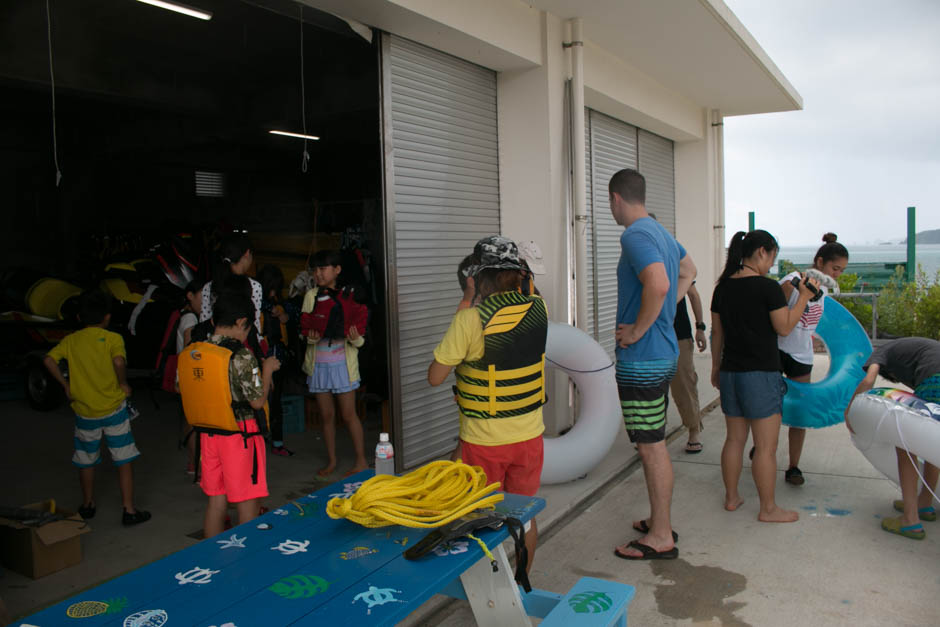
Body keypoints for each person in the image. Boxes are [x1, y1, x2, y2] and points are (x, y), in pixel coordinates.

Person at [428, 235, 548, 572]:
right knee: (524, 516)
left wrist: (467, 300)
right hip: (529, 438)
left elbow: (435, 376)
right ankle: (522, 580)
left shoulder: (470, 319)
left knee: (477, 518)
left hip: (485, 443)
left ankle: (488, 588)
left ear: (476, 276)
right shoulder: (540, 308)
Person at [607, 169, 696, 561]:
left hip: (644, 359)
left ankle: (661, 535)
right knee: (652, 443)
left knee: (651, 447)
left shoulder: (635, 234)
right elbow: (689, 272)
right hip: (662, 355)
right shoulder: (662, 233)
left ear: (615, 199)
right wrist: (663, 314)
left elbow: (657, 284)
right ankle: (658, 520)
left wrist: (639, 330)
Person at [710, 229, 817, 524]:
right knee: (766, 448)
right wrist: (804, 298)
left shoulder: (722, 288)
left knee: (734, 440)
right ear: (761, 252)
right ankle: (768, 509)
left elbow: (717, 332)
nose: (771, 265)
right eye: (772, 258)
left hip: (731, 372)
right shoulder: (767, 288)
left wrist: (716, 368)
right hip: (761, 375)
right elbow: (784, 328)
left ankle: (732, 498)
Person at [42, 291, 151, 526]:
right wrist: (123, 383)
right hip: (114, 409)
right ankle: (129, 509)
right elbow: (119, 361)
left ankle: (88, 504)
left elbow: (49, 360)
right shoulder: (112, 339)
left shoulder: (71, 340)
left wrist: (65, 385)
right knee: (123, 459)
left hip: (84, 411)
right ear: (107, 317)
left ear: (80, 317)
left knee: (86, 458)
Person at [179, 290, 280, 538]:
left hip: (209, 438)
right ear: (240, 323)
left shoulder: (195, 352)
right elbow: (257, 401)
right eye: (248, 329)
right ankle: (246, 563)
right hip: (240, 438)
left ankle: (214, 561)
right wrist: (267, 369)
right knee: (247, 503)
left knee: (216, 502)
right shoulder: (241, 356)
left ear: (213, 321)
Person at [845, 338, 940, 539]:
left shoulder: (881, 351)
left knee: (905, 441)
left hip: (934, 381)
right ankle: (924, 502)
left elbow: (869, 380)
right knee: (931, 436)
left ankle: (910, 520)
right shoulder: (914, 349)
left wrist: (849, 410)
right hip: (934, 377)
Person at [776, 233, 849, 485]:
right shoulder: (792, 280)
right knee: (769, 408)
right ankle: (763, 448)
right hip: (777, 351)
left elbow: (811, 321)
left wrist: (812, 336)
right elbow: (774, 313)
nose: (838, 274)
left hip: (802, 355)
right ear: (820, 262)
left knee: (800, 410)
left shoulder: (825, 289)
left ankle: (793, 466)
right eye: (835, 268)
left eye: (841, 269)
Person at [300, 250, 369, 478]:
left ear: (337, 270)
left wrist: (354, 338)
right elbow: (304, 328)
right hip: (319, 365)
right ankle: (332, 461)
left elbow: (360, 338)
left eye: (323, 268)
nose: (318, 273)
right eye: (315, 269)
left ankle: (361, 460)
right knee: (326, 416)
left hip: (342, 365)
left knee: (349, 414)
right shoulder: (310, 295)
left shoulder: (349, 295)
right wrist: (309, 337)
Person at [258, 264, 293, 457]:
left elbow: (290, 317)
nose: (273, 292)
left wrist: (283, 314)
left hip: (278, 356)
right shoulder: (257, 301)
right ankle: (260, 439)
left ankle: (277, 442)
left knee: (276, 400)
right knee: (261, 400)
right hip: (261, 355)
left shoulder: (281, 302)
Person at [200, 233, 264, 335]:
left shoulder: (209, 286)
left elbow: (204, 321)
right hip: (240, 346)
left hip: (212, 345)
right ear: (247, 253)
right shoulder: (254, 286)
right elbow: (253, 325)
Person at [671, 282, 708, 454]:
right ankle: (651, 435)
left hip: (679, 333)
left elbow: (693, 294)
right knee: (653, 385)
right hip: (650, 332)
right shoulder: (642, 259)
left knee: (685, 384)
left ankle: (694, 431)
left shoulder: (677, 259)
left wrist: (700, 327)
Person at [177, 279, 203, 474]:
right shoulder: (190, 319)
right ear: (190, 295)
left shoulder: (188, 316)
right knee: (194, 422)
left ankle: (193, 462)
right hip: (190, 377)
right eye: (203, 295)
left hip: (185, 376)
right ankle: (197, 464)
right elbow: (189, 349)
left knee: (189, 420)